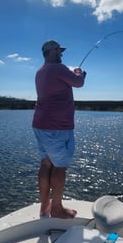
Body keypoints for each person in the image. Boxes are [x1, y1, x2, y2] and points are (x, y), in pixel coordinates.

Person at [32, 40, 86, 219]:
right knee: (59, 167)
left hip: (41, 125)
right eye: (59, 51)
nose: (61, 54)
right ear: (51, 51)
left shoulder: (40, 71)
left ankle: (44, 207)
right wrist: (79, 72)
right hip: (57, 128)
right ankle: (56, 208)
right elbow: (78, 82)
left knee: (46, 164)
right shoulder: (58, 68)